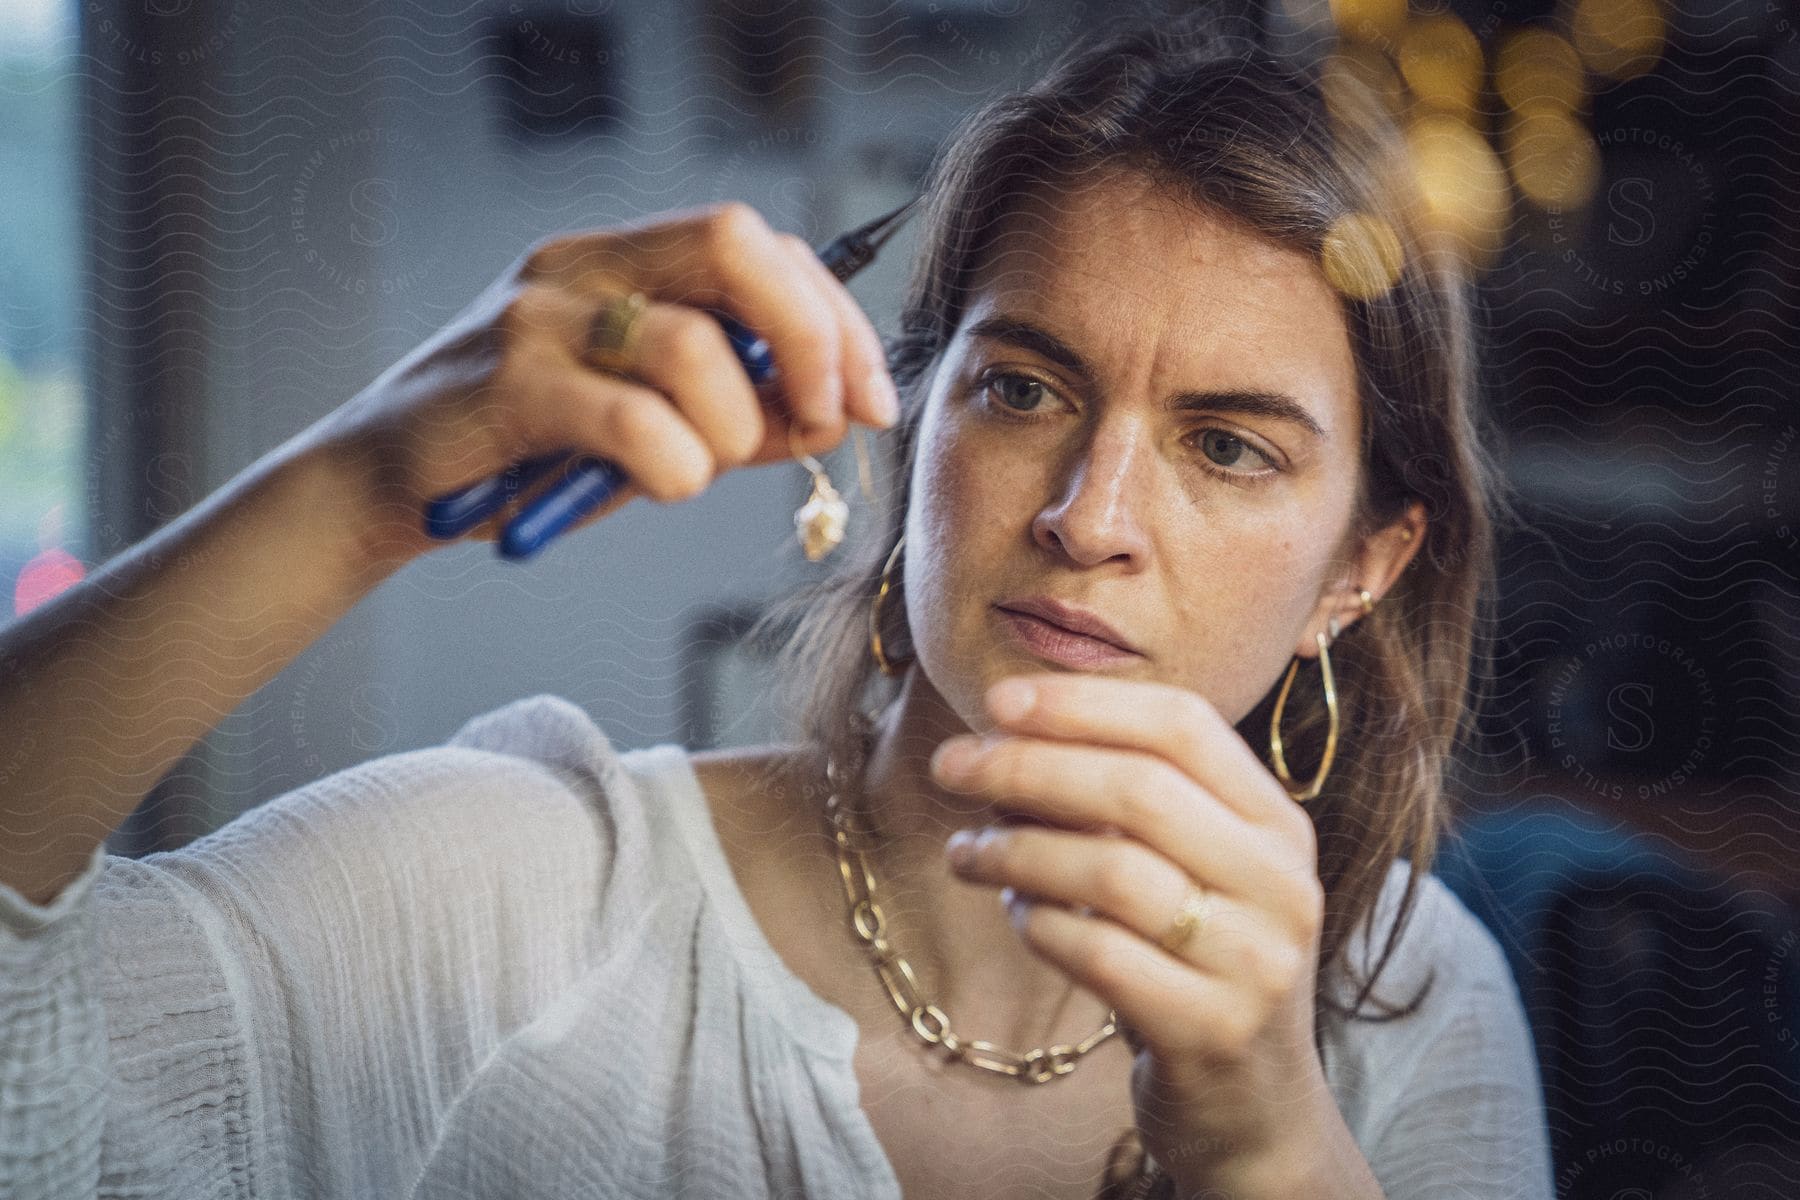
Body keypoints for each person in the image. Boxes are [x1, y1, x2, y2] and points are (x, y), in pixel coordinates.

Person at [0, 16, 1553, 1200]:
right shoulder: (525, 900)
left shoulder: (1410, 1008)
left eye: (1225, 446)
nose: (1089, 519)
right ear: (909, 421)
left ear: (1361, 570)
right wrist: (346, 495)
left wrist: (1273, 1146)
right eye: (1020, 389)